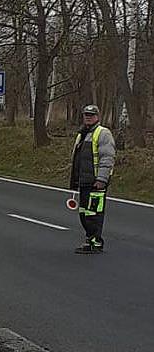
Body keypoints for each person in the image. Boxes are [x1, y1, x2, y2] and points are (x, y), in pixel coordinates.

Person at [69, 105, 116, 254]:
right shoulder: (82, 134)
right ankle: (89, 239)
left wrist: (102, 178)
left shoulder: (103, 133)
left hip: (96, 182)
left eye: (91, 115)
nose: (88, 117)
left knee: (93, 214)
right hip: (83, 182)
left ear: (97, 116)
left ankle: (95, 242)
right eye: (86, 115)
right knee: (83, 213)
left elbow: (107, 157)